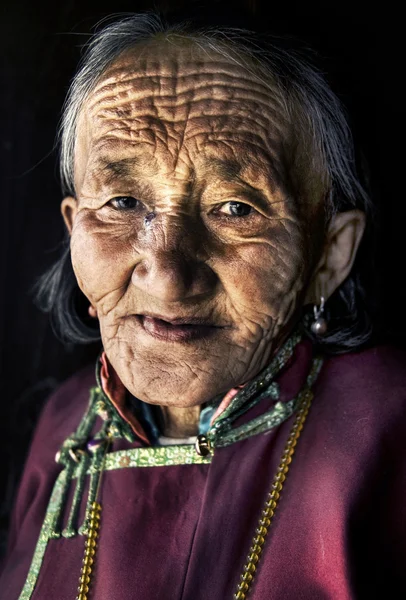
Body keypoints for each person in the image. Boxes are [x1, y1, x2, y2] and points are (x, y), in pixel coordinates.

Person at [1, 11, 405, 600]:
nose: (166, 276)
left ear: (329, 254)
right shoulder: (65, 422)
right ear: (73, 230)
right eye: (121, 201)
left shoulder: (387, 422)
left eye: (236, 208)